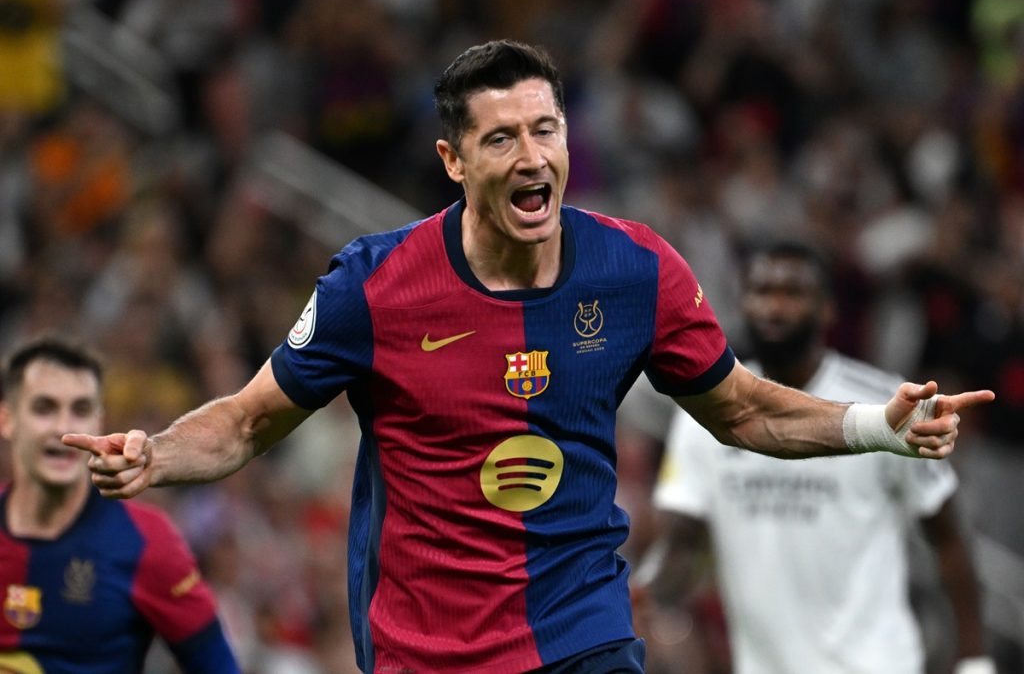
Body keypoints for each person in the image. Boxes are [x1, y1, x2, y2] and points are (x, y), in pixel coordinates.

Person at [63, 40, 993, 674]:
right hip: (421, 645)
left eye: (543, 129)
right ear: (453, 160)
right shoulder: (374, 286)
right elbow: (245, 421)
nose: (530, 155)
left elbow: (743, 409)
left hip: (579, 629)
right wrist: (158, 452)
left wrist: (878, 425)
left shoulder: (635, 270)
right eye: (500, 138)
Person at [639, 241, 995, 674]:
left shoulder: (885, 406)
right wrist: (640, 596)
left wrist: (974, 656)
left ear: (827, 309)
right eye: (761, 291)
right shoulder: (702, 416)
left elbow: (947, 534)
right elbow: (680, 544)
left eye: (792, 293)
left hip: (876, 664)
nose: (774, 307)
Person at [0, 335, 241, 674]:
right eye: (44, 408)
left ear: (98, 423)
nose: (63, 428)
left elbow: (218, 666)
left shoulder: (145, 542)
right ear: (7, 420)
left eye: (80, 410)